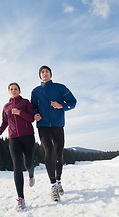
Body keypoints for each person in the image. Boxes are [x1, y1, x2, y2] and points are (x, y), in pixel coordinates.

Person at [31, 66, 77, 202]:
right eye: (42, 72)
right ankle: (53, 186)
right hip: (43, 126)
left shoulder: (60, 88)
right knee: (49, 151)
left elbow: (73, 102)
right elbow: (33, 107)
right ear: (40, 75)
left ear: (50, 74)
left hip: (57, 125)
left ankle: (59, 180)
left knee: (58, 153)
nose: (44, 74)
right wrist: (35, 115)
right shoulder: (35, 91)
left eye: (47, 71)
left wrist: (61, 105)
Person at [0, 83, 35, 211]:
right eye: (11, 89)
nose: (13, 91)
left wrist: (19, 112)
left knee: (28, 163)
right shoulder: (6, 107)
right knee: (17, 166)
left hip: (28, 136)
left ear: (19, 90)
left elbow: (32, 118)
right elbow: (4, 122)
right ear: (9, 92)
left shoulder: (25, 102)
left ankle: (31, 173)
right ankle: (21, 199)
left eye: (15, 89)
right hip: (13, 138)